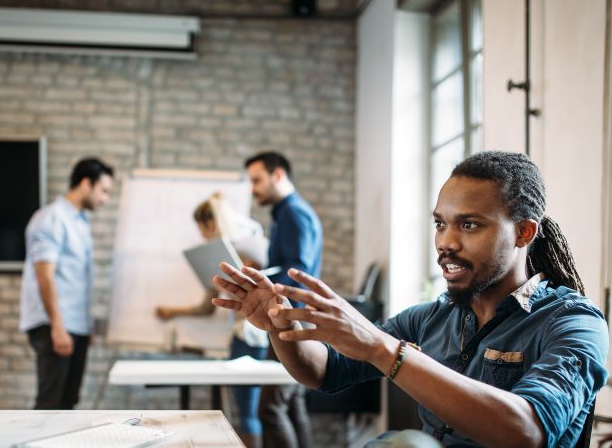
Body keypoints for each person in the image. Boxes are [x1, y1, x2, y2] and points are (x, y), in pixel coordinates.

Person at [212, 151, 609, 447]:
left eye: (469, 225)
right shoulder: (433, 316)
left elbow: (526, 429)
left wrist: (386, 351)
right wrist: (282, 326)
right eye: (440, 224)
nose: (446, 243)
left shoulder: (573, 323)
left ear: (523, 233)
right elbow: (326, 372)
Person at [155, 192, 269, 448]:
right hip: (241, 336)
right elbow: (206, 308)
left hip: (251, 336)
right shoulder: (220, 257)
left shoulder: (251, 248)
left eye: (202, 228)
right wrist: (172, 312)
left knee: (248, 411)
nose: (202, 235)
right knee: (244, 411)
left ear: (211, 223)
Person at [19, 157, 114, 410]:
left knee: (68, 403)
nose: (105, 199)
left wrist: (86, 325)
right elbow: (44, 275)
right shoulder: (51, 218)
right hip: (54, 324)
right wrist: (58, 327)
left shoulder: (80, 222)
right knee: (51, 402)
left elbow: (75, 279)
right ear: (86, 184)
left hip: (76, 324)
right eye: (103, 191)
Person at [244, 151, 322, 448]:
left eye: (257, 180)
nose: (253, 189)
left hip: (291, 323)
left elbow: (297, 271)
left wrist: (262, 289)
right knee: (290, 406)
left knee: (270, 408)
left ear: (278, 175)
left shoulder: (292, 213)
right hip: (294, 321)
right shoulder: (286, 213)